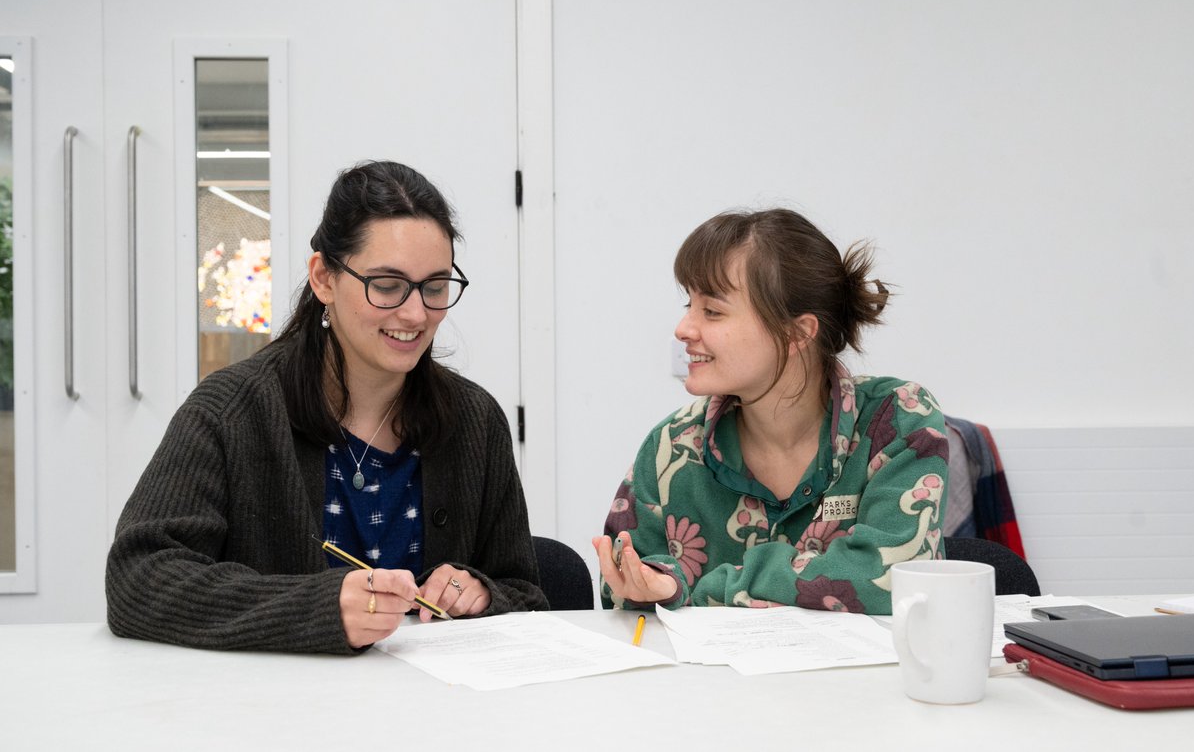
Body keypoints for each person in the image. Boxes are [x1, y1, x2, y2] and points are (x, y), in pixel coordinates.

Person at [107, 160, 547, 653]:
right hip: (274, 718)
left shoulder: (475, 421)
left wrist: (483, 593)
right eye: (386, 285)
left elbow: (526, 594)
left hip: (436, 719)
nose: (416, 312)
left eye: (436, 286)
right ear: (323, 279)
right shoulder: (230, 412)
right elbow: (137, 578)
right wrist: (315, 609)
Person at [593, 208, 947, 614]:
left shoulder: (898, 419)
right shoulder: (672, 447)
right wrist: (649, 584)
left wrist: (700, 587)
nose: (683, 329)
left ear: (797, 332)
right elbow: (621, 586)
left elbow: (889, 579)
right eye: (689, 304)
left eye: (712, 311)